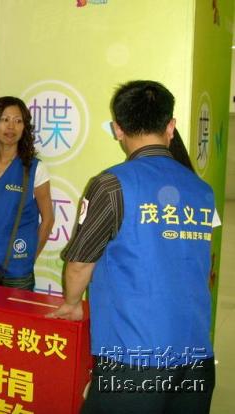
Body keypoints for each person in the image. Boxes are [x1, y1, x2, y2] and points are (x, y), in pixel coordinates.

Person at [52, 80, 218, 413]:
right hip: (197, 356)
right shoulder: (202, 190)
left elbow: (80, 262)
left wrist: (71, 304)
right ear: (170, 126)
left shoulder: (112, 184)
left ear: (118, 129)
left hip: (134, 359)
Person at [0, 96, 54, 294]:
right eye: (5, 119)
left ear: (25, 128)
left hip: (17, 272)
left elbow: (48, 219)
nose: (11, 127)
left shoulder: (34, 169)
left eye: (18, 121)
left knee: (15, 315)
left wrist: (29, 257)